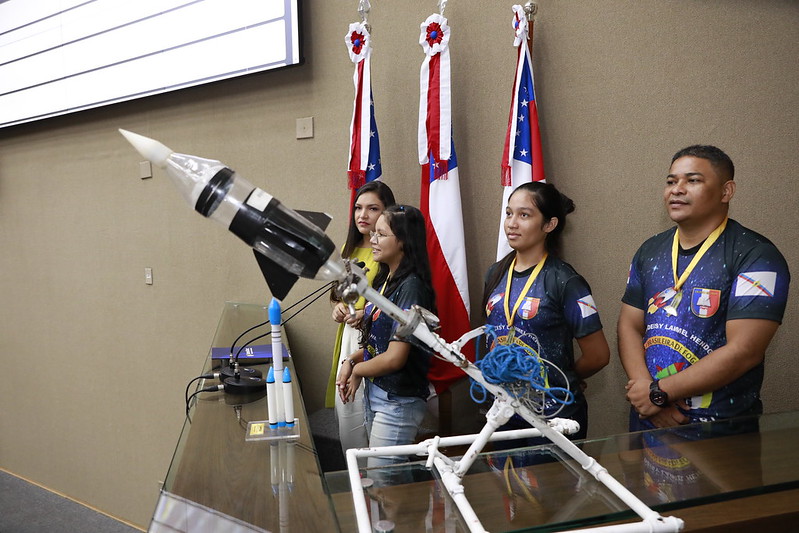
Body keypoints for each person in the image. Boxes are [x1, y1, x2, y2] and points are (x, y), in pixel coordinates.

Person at [619, 145, 790, 432]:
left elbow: (744, 350)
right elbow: (629, 325)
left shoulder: (756, 255)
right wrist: (646, 393)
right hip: (649, 421)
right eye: (671, 181)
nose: (677, 189)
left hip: (720, 432)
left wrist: (660, 393)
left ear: (726, 191)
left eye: (693, 180)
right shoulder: (650, 250)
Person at [483, 182, 610, 447]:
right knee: (505, 486)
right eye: (509, 213)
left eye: (524, 215)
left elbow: (598, 355)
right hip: (505, 413)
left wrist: (562, 377)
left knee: (551, 488)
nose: (512, 223)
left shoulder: (565, 280)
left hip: (554, 414)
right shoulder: (495, 274)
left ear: (549, 225)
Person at [337, 205, 436, 470]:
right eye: (374, 233)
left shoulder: (411, 286)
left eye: (381, 234)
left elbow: (395, 357)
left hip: (398, 401)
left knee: (386, 482)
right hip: (378, 393)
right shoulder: (385, 279)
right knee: (383, 484)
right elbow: (379, 344)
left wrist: (357, 369)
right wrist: (351, 360)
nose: (372, 239)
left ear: (403, 241)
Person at [326, 181, 396, 456]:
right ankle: (359, 485)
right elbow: (338, 295)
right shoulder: (348, 248)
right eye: (358, 207)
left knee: (372, 419)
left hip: (375, 342)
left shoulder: (389, 250)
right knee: (349, 418)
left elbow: (392, 305)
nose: (362, 215)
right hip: (348, 338)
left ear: (388, 213)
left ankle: (375, 487)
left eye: (372, 208)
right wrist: (338, 309)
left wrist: (365, 318)